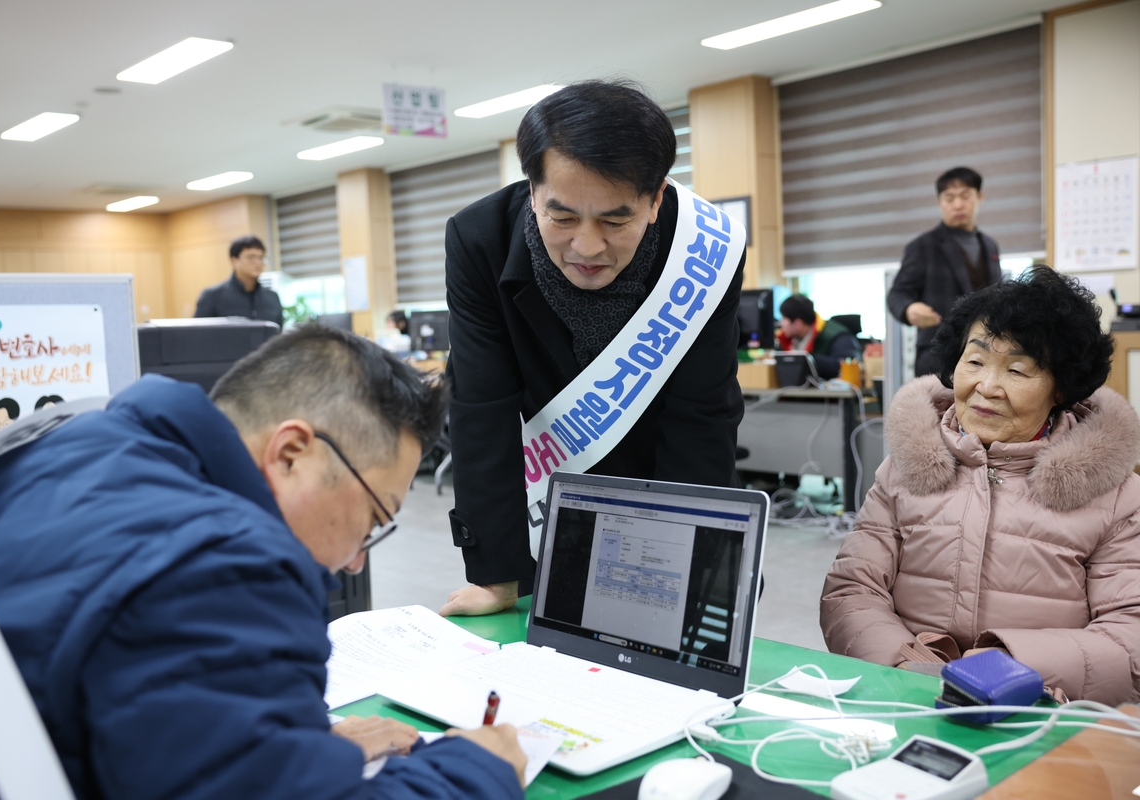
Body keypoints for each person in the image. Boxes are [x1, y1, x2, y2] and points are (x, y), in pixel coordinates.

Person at [0, 326, 527, 799]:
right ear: (291, 452)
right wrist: (475, 771)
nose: (356, 562)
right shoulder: (227, 562)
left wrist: (284, 746)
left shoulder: (69, 447)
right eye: (374, 519)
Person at [440, 80, 746, 617]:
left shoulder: (702, 249)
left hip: (664, 474)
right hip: (551, 492)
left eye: (615, 219)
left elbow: (702, 416)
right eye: (562, 217)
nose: (587, 246)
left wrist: (687, 563)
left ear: (656, 199)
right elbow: (481, 409)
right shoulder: (477, 240)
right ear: (532, 191)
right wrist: (498, 574)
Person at [821, 268, 1140, 704]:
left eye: (1017, 370)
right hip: (907, 696)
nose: (986, 387)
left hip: (1039, 714)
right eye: (974, 361)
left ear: (1061, 389)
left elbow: (1130, 635)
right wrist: (903, 666)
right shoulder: (907, 465)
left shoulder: (1115, 493)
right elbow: (851, 590)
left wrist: (1001, 669)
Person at [886, 167, 1002, 376]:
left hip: (985, 355)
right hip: (938, 354)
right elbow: (897, 294)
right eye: (949, 198)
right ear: (940, 202)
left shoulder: (990, 246)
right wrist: (910, 309)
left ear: (980, 197)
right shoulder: (922, 245)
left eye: (965, 196)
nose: (957, 204)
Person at [194, 235, 285, 328]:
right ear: (234, 261)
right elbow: (198, 334)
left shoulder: (272, 297)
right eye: (251, 257)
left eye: (261, 258)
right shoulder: (212, 296)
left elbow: (279, 336)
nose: (258, 262)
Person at [774, 294, 861, 380]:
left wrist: (806, 359)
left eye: (784, 318)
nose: (780, 323)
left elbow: (845, 365)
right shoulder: (785, 338)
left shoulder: (838, 336)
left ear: (798, 324)